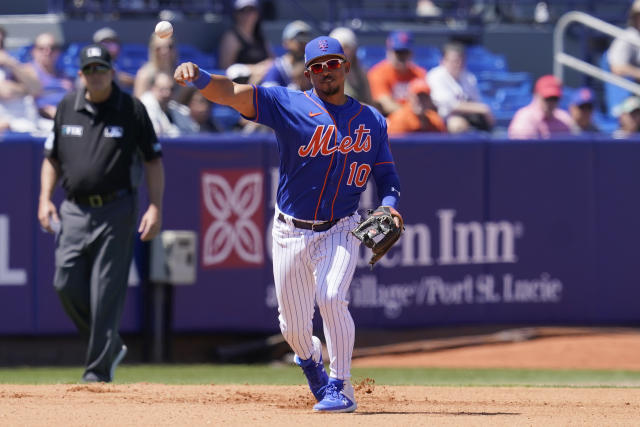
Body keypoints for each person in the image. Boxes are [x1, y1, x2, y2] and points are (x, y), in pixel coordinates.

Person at [174, 35, 402, 412]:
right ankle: (309, 358)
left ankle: (340, 386)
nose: (326, 72)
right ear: (307, 73)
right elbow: (232, 92)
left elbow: (387, 175)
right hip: (290, 231)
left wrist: (390, 205)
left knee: (332, 296)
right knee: (294, 329)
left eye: (332, 64)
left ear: (345, 66)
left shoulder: (372, 120)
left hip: (341, 226)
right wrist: (200, 77)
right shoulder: (287, 103)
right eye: (317, 67)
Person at [37, 44, 164, 383]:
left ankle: (97, 373)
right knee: (64, 282)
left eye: (102, 68)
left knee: (106, 290)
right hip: (74, 208)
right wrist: (44, 198)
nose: (96, 75)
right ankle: (109, 346)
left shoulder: (131, 108)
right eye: (90, 69)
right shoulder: (67, 106)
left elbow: (153, 159)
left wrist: (154, 205)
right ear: (80, 74)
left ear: (111, 71)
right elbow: (51, 157)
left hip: (117, 208)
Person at [427, 41, 494, 133]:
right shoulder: (435, 76)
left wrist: (482, 110)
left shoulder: (468, 77)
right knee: (457, 124)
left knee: (486, 121)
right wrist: (483, 108)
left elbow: (475, 101)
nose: (458, 64)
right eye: (454, 61)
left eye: (461, 60)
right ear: (443, 61)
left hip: (467, 116)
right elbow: (451, 106)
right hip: (442, 118)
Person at [367, 30, 427, 116]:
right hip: (389, 119)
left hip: (416, 117)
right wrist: (409, 115)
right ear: (389, 52)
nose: (402, 57)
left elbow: (426, 103)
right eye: (398, 52)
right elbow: (385, 104)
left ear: (411, 53)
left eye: (405, 52)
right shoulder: (378, 73)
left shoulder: (419, 73)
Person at [0, 25, 44, 132]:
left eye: (1, 44)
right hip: (8, 124)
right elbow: (7, 92)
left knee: (63, 129)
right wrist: (26, 90)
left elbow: (37, 89)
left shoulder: (14, 64)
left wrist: (11, 64)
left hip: (32, 121)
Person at [217, 0, 273, 84]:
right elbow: (225, 68)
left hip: (265, 83)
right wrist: (255, 69)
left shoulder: (260, 37)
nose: (248, 15)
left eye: (251, 10)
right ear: (236, 14)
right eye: (243, 11)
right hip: (242, 85)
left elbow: (273, 60)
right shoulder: (231, 37)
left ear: (257, 14)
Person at [23, 32, 74, 120]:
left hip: (66, 115)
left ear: (58, 52)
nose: (47, 52)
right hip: (40, 120)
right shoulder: (27, 71)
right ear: (33, 51)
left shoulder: (64, 74)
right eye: (41, 48)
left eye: (52, 48)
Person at [508, 74, 575, 139]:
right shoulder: (524, 117)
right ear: (536, 94)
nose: (550, 102)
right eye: (547, 98)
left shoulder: (564, 119)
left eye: (554, 99)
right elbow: (521, 148)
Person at [140, 71, 196, 137]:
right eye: (162, 89)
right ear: (152, 88)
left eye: (171, 89)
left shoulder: (176, 108)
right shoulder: (145, 106)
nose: (167, 93)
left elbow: (191, 130)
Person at [260, 20, 312, 89]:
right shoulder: (276, 68)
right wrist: (296, 87)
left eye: (305, 38)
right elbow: (268, 95)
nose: (302, 43)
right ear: (286, 42)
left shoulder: (313, 67)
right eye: (297, 38)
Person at [329, 27, 373, 105]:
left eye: (346, 47)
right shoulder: (327, 75)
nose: (342, 52)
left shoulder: (361, 73)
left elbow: (369, 101)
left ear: (354, 49)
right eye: (339, 48)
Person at [133, 32, 178, 98]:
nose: (165, 51)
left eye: (170, 47)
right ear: (152, 50)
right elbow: (138, 105)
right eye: (159, 48)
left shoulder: (180, 74)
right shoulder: (144, 75)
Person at [92, 27, 135, 91]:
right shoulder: (92, 64)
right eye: (104, 43)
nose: (108, 47)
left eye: (112, 43)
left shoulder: (118, 63)